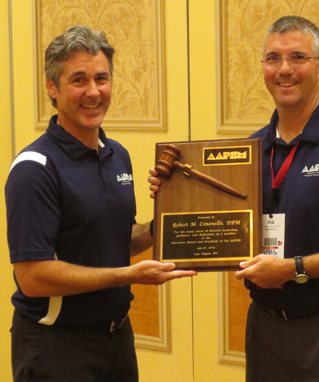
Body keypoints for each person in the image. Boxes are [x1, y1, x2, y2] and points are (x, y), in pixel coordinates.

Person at [149, 15, 319, 382]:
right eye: (273, 58)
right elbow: (214, 215)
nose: (284, 69)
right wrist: (171, 192)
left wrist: (293, 268)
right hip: (267, 329)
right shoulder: (251, 150)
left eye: (298, 57)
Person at [5, 25, 196, 382]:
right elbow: (32, 277)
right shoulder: (34, 169)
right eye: (79, 80)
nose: (93, 92)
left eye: (102, 78)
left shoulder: (117, 155)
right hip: (56, 347)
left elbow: (116, 239)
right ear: (52, 87)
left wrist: (166, 224)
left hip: (117, 338)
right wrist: (128, 276)